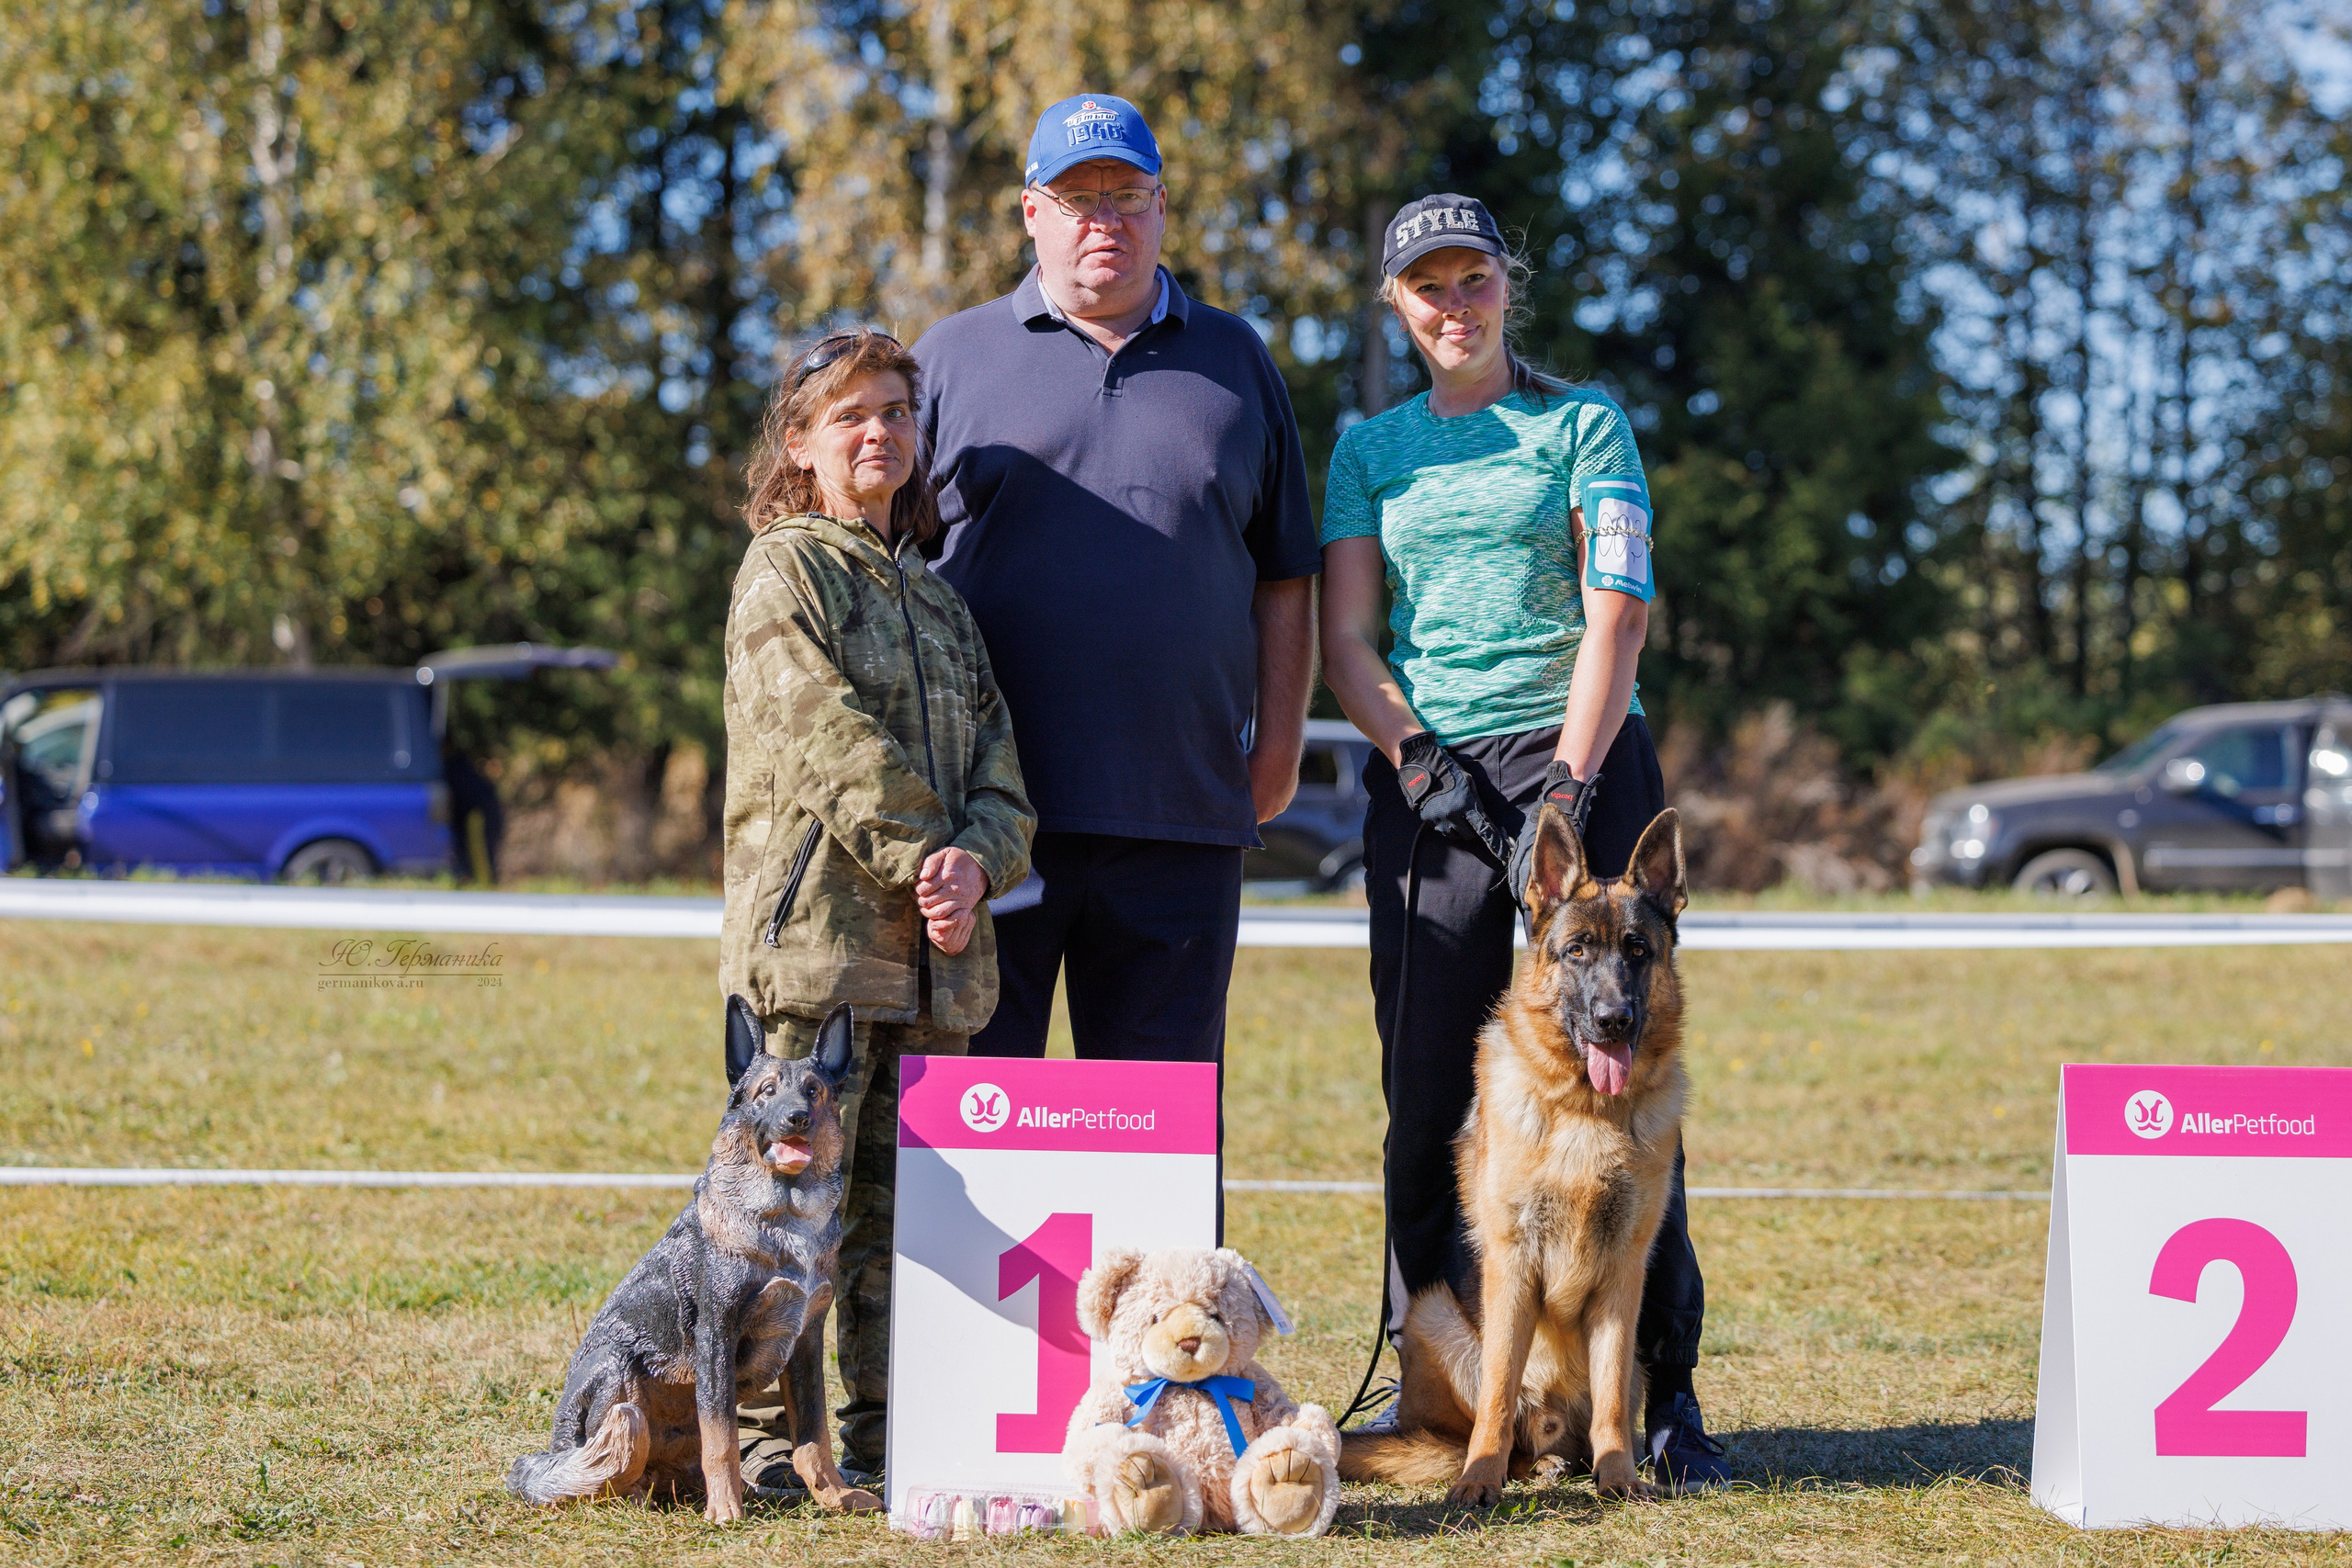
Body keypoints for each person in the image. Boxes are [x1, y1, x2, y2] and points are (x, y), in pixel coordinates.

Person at [1317, 193, 1729, 1492]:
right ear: (1398, 304)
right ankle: (1437, 1367)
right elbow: (1346, 640)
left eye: (1474, 279)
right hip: (1433, 775)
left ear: (1508, 285)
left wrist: (1568, 774)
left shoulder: (1582, 421)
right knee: (1428, 1092)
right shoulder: (1368, 449)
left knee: (1626, 1084)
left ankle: (1662, 1396)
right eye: (1427, 286)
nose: (1454, 303)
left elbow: (1619, 610)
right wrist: (1418, 758)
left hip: (1584, 754)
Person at [911, 96, 1319, 1156]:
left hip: (1178, 812)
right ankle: (982, 1333)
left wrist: (1276, 747)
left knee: (1160, 1147)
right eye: (1078, 199)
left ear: (1163, 208)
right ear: (1029, 214)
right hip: (985, 822)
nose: (1106, 221)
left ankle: (1165, 1336)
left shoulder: (1235, 361)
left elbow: (1285, 575)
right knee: (972, 1129)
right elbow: (885, 577)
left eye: (1127, 197)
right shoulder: (948, 361)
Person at [719, 329, 1036, 1488]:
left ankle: (892, 1441)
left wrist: (978, 862)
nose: (879, 432)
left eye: (897, 412)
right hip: (815, 964)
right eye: (850, 414)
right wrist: (929, 858)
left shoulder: (940, 603)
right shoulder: (784, 572)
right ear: (798, 444)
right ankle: (761, 1446)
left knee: (912, 1226)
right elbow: (826, 742)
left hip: (935, 970)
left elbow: (1005, 774)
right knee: (784, 1208)